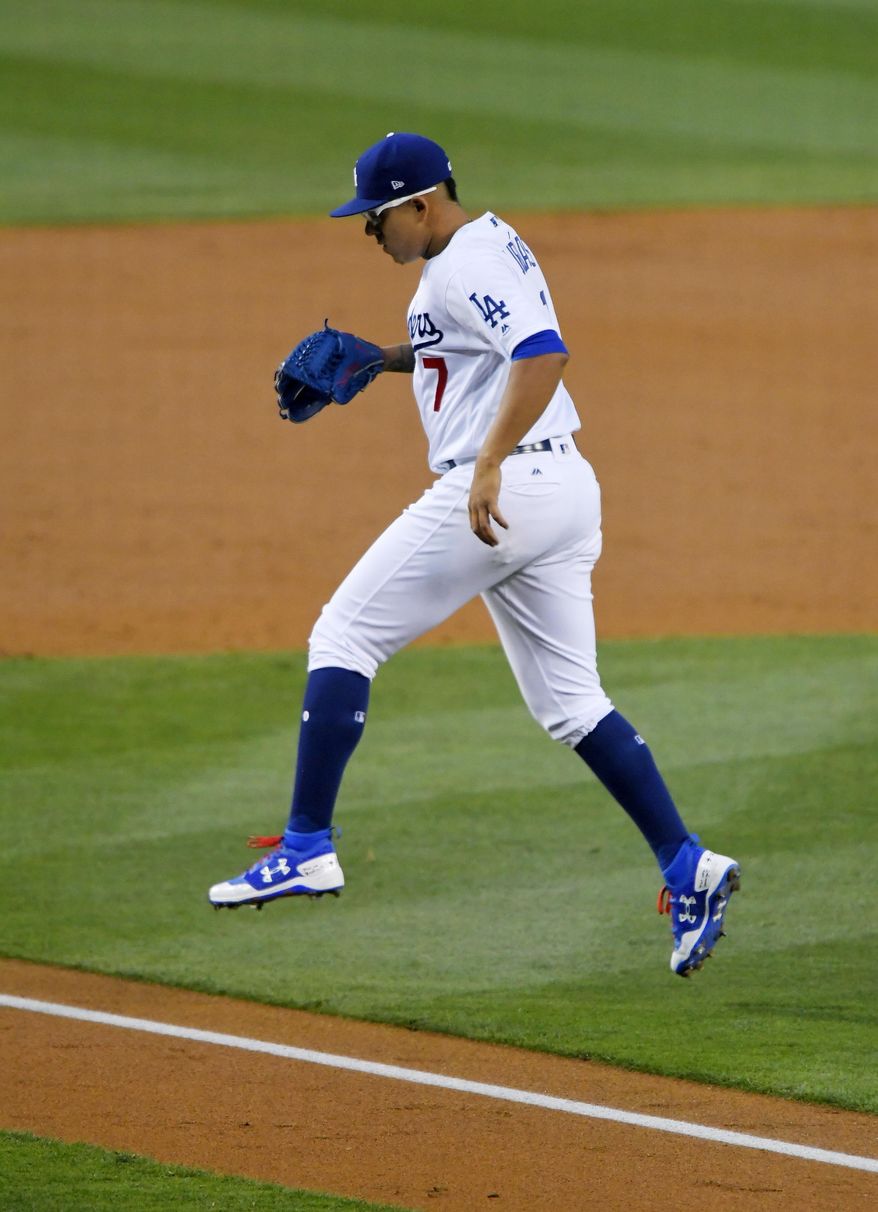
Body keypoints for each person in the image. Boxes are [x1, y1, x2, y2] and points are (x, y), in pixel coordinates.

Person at [208, 132, 740, 976]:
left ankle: (307, 844)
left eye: (377, 216)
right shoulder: (474, 249)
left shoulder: (463, 265)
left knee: (343, 637)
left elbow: (543, 352)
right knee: (571, 705)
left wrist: (487, 461)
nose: (369, 232)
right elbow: (470, 349)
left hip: (507, 488)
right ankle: (689, 866)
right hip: (562, 491)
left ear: (422, 203)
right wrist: (380, 361)